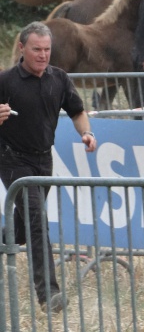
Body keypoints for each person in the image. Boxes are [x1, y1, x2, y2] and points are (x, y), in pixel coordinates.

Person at [0, 22, 97, 314]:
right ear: (22, 48)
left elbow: (77, 111)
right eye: (36, 49)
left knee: (23, 228)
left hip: (44, 159)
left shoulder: (59, 78)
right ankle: (49, 294)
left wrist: (86, 133)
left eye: (47, 50)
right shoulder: (6, 81)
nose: (43, 55)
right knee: (37, 221)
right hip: (12, 159)